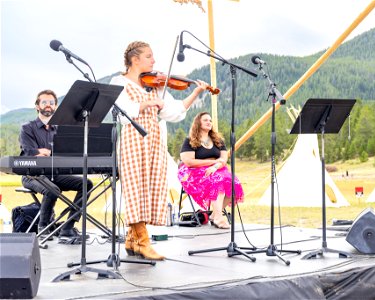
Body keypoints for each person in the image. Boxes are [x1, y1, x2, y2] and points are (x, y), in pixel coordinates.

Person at [111, 41, 208, 260]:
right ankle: (143, 241)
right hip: (132, 140)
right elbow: (123, 109)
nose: (154, 61)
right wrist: (149, 103)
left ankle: (131, 239)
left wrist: (196, 93)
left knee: (149, 189)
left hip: (154, 141)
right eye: (149, 56)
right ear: (135, 60)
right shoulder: (119, 82)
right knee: (135, 189)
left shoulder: (155, 85)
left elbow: (174, 112)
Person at [19, 89, 93, 242]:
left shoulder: (59, 129)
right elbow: (30, 152)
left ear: (55, 107)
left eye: (51, 103)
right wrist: (42, 152)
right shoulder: (27, 128)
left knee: (87, 183)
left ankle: (67, 226)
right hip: (32, 175)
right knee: (53, 190)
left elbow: (63, 153)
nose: (48, 105)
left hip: (55, 173)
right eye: (44, 102)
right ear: (37, 106)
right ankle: (43, 227)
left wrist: (46, 152)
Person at [178, 112, 244, 229]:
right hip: (194, 172)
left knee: (234, 183)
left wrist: (215, 166)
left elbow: (223, 159)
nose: (209, 122)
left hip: (217, 169)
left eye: (210, 120)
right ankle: (219, 217)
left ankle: (214, 215)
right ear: (198, 123)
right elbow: (189, 162)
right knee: (217, 181)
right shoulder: (190, 140)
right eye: (205, 120)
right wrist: (213, 162)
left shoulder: (218, 140)